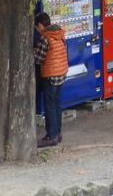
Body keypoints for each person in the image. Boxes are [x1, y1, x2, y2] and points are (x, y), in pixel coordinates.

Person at [34, 11, 68, 148]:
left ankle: (51, 135)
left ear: (41, 25)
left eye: (36, 28)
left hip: (50, 75)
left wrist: (31, 53)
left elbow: (39, 59)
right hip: (61, 73)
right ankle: (57, 133)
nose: (36, 31)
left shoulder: (44, 38)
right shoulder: (58, 34)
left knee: (49, 106)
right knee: (56, 103)